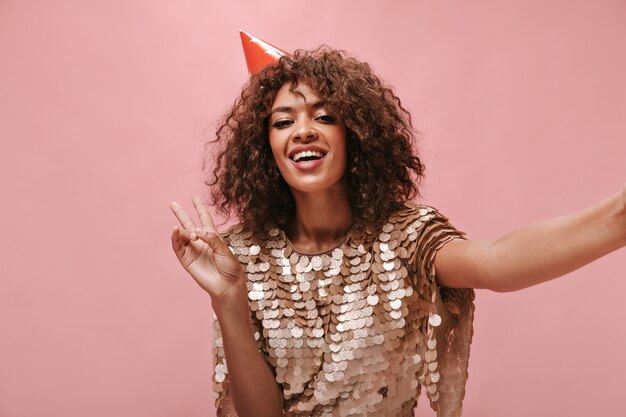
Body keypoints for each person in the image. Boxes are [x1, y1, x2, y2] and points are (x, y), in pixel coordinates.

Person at [169, 43, 626, 417]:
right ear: (264, 146)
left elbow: (495, 262)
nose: (303, 131)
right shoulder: (241, 255)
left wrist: (617, 219)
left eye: (324, 116)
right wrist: (228, 299)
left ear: (356, 133)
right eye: (283, 121)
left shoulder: (407, 236)